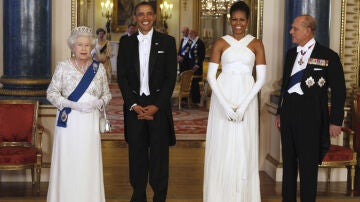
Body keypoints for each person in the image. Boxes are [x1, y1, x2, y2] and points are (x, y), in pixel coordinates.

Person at [275, 15, 346, 202]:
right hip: (289, 116)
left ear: (307, 30)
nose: (291, 32)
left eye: (294, 28)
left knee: (308, 168)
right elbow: (285, 87)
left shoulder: (328, 56)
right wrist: (279, 112)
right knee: (288, 166)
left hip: (311, 119)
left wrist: (335, 121)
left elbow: (339, 91)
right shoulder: (291, 54)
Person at [203, 1, 266, 201]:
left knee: (243, 146)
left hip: (246, 98)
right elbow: (212, 76)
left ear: (247, 21)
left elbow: (261, 78)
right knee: (222, 146)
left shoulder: (256, 43)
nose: (238, 23)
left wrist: (244, 105)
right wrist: (225, 105)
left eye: (242, 20)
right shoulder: (220, 42)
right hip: (223, 98)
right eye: (234, 19)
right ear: (229, 20)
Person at [116, 2, 177, 202]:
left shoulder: (167, 42)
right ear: (135, 17)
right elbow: (122, 77)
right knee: (136, 156)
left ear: (155, 16)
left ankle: (160, 197)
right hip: (134, 106)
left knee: (159, 156)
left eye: (149, 14)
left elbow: (170, 78)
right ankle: (138, 195)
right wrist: (133, 104)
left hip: (158, 106)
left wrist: (157, 105)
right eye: (141, 14)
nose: (145, 17)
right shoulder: (125, 43)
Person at [46, 26, 112, 202]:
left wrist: (99, 102)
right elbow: (51, 93)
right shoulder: (63, 67)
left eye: (87, 45)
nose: (83, 49)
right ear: (72, 47)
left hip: (90, 122)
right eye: (79, 45)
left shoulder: (99, 69)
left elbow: (107, 94)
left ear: (91, 47)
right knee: (69, 162)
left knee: (87, 163)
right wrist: (71, 104)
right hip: (69, 122)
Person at [188, 29, 205, 105]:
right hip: (191, 65)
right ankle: (192, 99)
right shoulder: (192, 42)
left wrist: (197, 65)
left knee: (195, 83)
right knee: (192, 83)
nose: (189, 35)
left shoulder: (200, 42)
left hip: (197, 67)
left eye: (191, 33)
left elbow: (201, 55)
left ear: (195, 33)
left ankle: (196, 100)